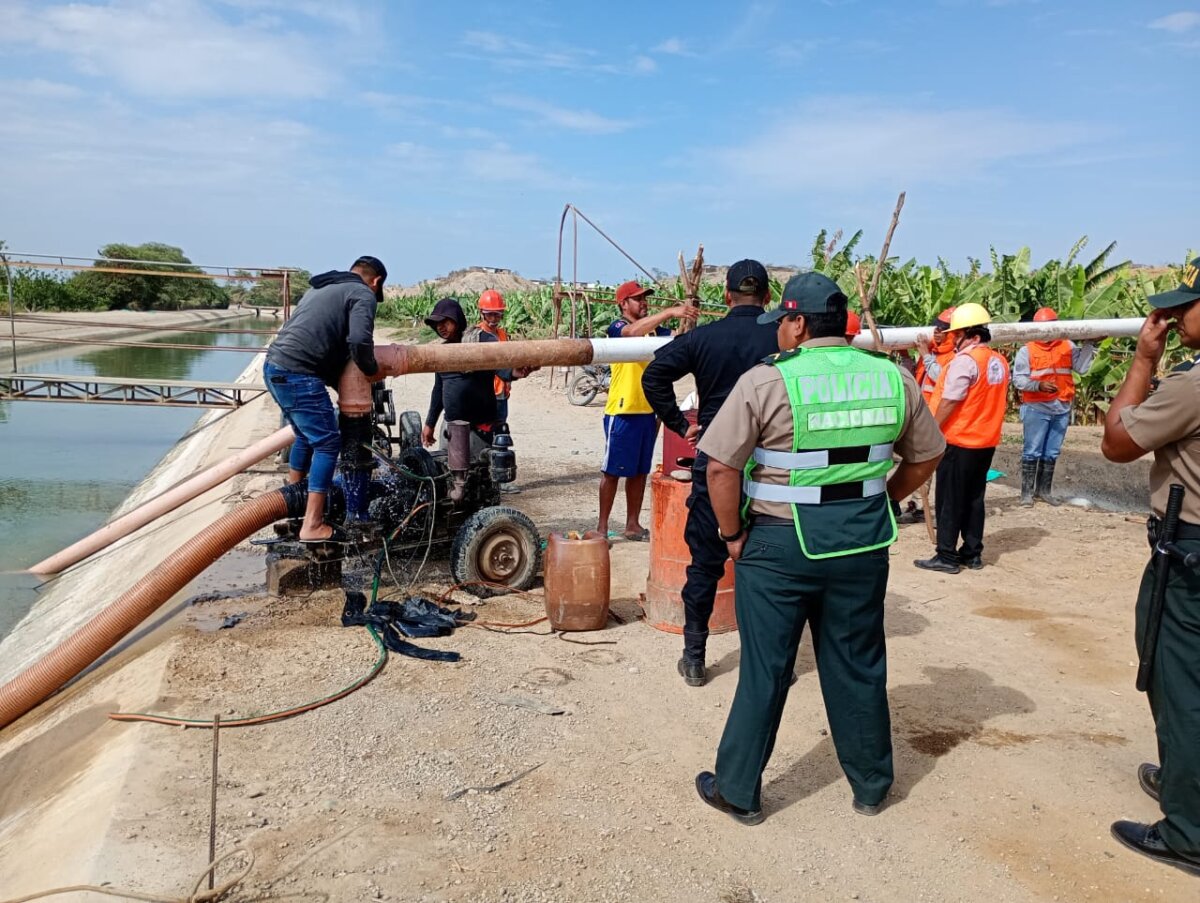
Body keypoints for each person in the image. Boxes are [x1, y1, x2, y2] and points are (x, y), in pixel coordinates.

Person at [692, 272, 944, 824]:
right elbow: (926, 456)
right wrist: (880, 498)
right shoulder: (893, 378)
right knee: (858, 662)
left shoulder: (767, 382)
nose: (778, 331)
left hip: (780, 546)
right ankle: (872, 786)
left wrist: (733, 535)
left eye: (781, 321)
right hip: (860, 543)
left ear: (799, 322)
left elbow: (719, 467)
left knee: (766, 668)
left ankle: (738, 789)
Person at [1100, 255, 1200, 878]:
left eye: (1184, 305)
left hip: (1190, 550)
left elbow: (1115, 443)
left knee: (1180, 679)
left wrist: (1143, 360)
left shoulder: (1193, 384)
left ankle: (1187, 827)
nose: (1173, 315)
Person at [642, 259, 779, 686]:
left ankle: (695, 657)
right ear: (768, 297)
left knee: (705, 563)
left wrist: (681, 425)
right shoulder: (783, 338)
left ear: (726, 296)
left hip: (717, 459)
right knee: (773, 564)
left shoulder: (704, 337)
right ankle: (774, 662)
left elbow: (654, 376)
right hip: (774, 465)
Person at [264, 255, 387, 545]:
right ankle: (313, 524)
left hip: (274, 367)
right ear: (376, 281)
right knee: (328, 443)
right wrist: (371, 371)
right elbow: (358, 342)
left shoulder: (322, 288)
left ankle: (294, 509)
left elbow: (322, 340)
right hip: (298, 373)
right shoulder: (362, 293)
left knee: (306, 438)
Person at [914, 302, 1010, 574]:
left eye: (958, 334)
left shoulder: (965, 361)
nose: (953, 339)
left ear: (974, 336)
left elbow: (950, 401)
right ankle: (972, 553)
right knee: (973, 499)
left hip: (959, 441)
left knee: (949, 501)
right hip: (985, 442)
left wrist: (931, 429)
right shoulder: (998, 361)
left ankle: (946, 555)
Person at [597, 280, 695, 540]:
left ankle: (632, 523)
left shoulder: (655, 331)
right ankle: (602, 527)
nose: (644, 303)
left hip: (648, 411)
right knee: (612, 472)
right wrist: (670, 311)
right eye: (638, 299)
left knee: (640, 471)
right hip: (623, 410)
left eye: (645, 298)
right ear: (623, 304)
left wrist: (685, 318)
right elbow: (630, 334)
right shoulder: (617, 327)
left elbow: (679, 340)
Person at [421, 297, 530, 452]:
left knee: (481, 472)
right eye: (437, 324)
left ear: (456, 320)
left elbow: (499, 364)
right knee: (448, 472)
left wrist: (513, 372)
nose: (441, 327)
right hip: (451, 427)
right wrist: (430, 424)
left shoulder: (481, 340)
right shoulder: (442, 352)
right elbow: (438, 390)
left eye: (445, 322)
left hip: (480, 429)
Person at [1012, 307, 1095, 506]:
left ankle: (1044, 491)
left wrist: (1088, 344)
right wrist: (1038, 385)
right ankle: (1027, 494)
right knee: (1032, 450)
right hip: (1037, 406)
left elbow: (1082, 368)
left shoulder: (1067, 344)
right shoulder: (1027, 350)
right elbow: (1018, 380)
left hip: (1061, 406)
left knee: (1051, 452)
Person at [477, 290, 513, 423]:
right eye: (490, 315)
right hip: (482, 395)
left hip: (501, 393)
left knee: (500, 433)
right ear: (482, 314)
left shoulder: (502, 335)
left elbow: (508, 361)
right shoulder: (475, 336)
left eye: (497, 315)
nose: (493, 319)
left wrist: (508, 383)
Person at [914, 307, 956, 406]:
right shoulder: (931, 350)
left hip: (935, 410)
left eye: (942, 329)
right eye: (936, 326)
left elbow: (941, 379)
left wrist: (925, 355)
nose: (937, 330)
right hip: (922, 407)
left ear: (953, 333)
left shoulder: (954, 355)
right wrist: (905, 356)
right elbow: (917, 375)